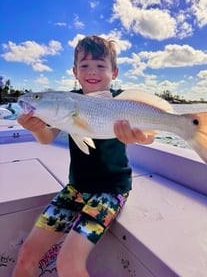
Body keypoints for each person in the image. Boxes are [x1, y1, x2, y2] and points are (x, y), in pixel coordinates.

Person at [13, 35, 154, 277]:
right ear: (75, 71)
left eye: (101, 65)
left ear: (114, 72)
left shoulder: (122, 100)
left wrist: (139, 138)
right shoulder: (67, 100)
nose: (93, 71)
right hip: (75, 189)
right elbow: (47, 138)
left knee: (68, 264)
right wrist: (37, 127)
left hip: (111, 191)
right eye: (85, 66)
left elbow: (150, 134)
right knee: (26, 254)